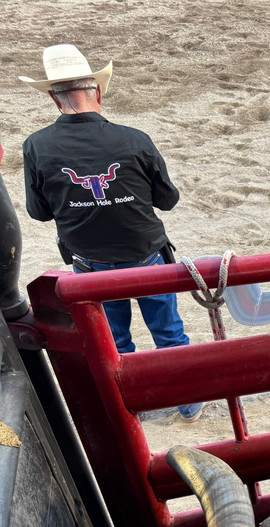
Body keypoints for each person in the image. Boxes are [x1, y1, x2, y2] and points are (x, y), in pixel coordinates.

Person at [19, 44, 203, 422]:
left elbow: (38, 212)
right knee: (168, 330)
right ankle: (189, 404)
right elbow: (167, 200)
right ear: (98, 93)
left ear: (55, 100)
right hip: (145, 256)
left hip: (90, 263)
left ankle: (136, 407)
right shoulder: (135, 139)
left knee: (113, 339)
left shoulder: (36, 146)